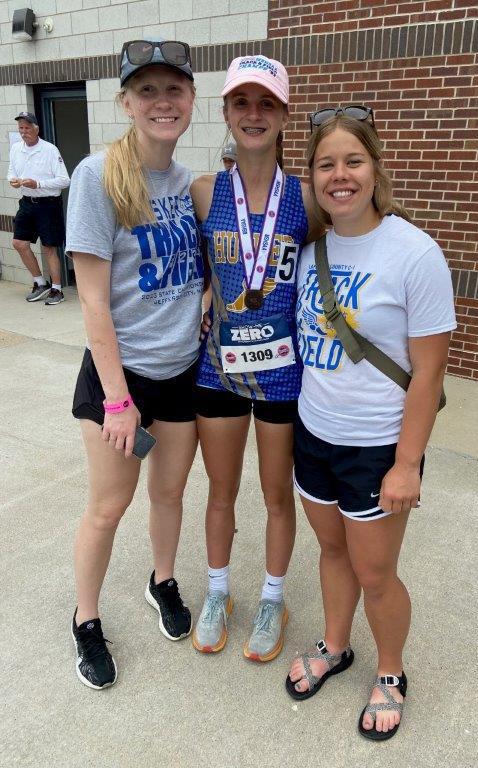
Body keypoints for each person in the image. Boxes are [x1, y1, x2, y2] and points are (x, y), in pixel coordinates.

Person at [285, 107, 456, 740]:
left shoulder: (415, 253)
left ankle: (390, 671)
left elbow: (429, 374)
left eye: (353, 161)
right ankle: (335, 646)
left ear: (375, 168)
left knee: (376, 573)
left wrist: (407, 463)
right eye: (326, 164)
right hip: (314, 434)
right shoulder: (312, 251)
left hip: (378, 447)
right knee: (332, 551)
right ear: (312, 176)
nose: (340, 175)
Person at [66, 39, 204, 690]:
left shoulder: (186, 181)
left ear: (191, 100)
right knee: (107, 506)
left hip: (182, 372)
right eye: (147, 90)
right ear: (125, 102)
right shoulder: (98, 176)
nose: (162, 102)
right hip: (121, 379)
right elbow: (93, 300)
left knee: (169, 493)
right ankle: (86, 619)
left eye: (174, 89)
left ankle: (162, 580)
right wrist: (119, 401)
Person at [191, 55, 324, 662]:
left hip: (282, 372)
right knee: (220, 491)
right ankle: (218, 592)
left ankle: (273, 598)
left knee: (276, 494)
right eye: (242, 102)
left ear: (284, 115)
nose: (253, 114)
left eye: (266, 103)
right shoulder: (203, 192)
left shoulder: (307, 198)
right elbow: (199, 273)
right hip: (218, 368)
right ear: (225, 112)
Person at [7, 111, 70, 305]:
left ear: (36, 129)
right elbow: (11, 172)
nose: (23, 132)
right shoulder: (16, 148)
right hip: (27, 202)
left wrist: (38, 184)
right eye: (21, 128)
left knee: (49, 247)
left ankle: (57, 289)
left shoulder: (50, 150)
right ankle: (40, 282)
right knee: (19, 243)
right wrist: (13, 181)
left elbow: (64, 180)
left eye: (27, 128)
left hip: (48, 204)